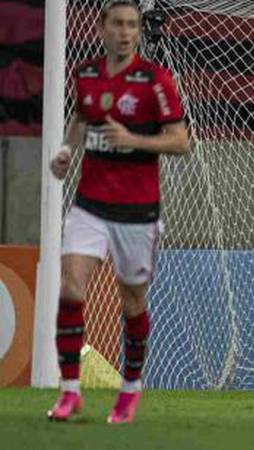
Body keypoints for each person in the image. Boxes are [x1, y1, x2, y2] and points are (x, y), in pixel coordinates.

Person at [47, 0, 188, 424]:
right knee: (71, 288)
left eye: (132, 25)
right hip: (89, 203)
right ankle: (69, 392)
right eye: (117, 24)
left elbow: (180, 141)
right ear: (102, 27)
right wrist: (67, 150)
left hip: (138, 211)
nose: (125, 32)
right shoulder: (86, 74)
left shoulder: (155, 80)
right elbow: (81, 117)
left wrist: (134, 140)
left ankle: (129, 389)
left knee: (132, 302)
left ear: (139, 32)